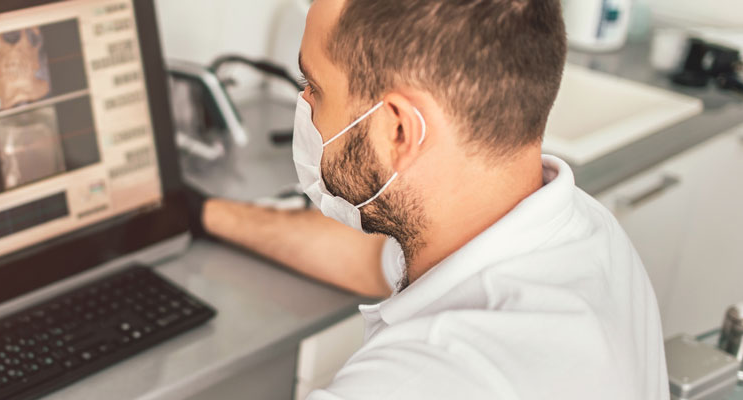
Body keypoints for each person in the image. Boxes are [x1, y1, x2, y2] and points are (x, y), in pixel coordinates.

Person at [185, 0, 668, 398]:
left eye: (315, 86)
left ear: (398, 129)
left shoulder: (428, 379)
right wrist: (200, 212)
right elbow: (374, 259)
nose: (305, 106)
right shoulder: (584, 231)